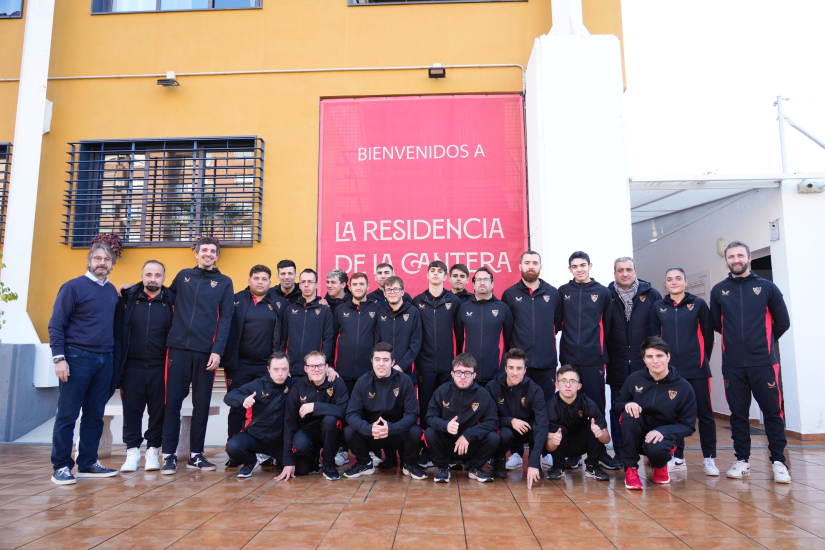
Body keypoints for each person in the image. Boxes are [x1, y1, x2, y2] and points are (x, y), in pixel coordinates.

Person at [710, 241, 791, 483]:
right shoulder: (719, 290)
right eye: (731, 256)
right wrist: (736, 341)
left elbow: (783, 322)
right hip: (733, 365)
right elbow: (716, 323)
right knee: (738, 414)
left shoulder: (767, 288)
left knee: (773, 413)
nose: (735, 259)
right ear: (726, 261)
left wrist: (762, 342)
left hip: (764, 363)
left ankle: (779, 462)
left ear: (749, 258)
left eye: (740, 255)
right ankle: (742, 460)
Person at [48, 243, 120, 485]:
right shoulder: (72, 287)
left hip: (104, 359)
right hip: (76, 357)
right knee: (68, 414)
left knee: (94, 415)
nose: (102, 262)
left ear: (112, 264)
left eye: (107, 259)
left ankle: (88, 462)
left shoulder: (111, 290)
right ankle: (61, 466)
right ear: (89, 261)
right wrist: (59, 358)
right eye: (97, 258)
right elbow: (56, 324)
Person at [161, 237, 234, 474]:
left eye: (213, 251)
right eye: (204, 250)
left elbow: (225, 319)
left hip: (205, 353)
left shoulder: (224, 282)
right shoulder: (183, 276)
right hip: (178, 350)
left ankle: (196, 455)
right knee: (172, 402)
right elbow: (164, 297)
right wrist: (132, 288)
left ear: (217, 255)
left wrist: (217, 351)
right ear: (196, 253)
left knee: (201, 405)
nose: (208, 254)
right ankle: (169, 455)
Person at [653, 267, 718, 476]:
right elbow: (655, 340)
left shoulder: (698, 304)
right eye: (669, 279)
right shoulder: (657, 307)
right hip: (670, 373)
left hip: (697, 369)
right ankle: (678, 457)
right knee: (673, 416)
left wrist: (701, 360)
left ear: (685, 282)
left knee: (705, 414)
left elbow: (708, 337)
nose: (674, 282)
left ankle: (709, 458)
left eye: (678, 279)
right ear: (665, 284)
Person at [501, 250, 561, 471]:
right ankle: (516, 452)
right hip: (519, 366)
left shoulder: (553, 294)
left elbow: (557, 323)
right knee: (516, 408)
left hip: (546, 362)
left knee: (544, 408)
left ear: (540, 267)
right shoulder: (509, 294)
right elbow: (507, 328)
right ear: (520, 266)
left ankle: (544, 451)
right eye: (527, 262)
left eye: (535, 263)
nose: (531, 266)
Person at [113, 260, 175, 473]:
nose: (153, 278)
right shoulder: (127, 298)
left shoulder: (172, 299)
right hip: (132, 365)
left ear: (164, 278)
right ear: (142, 276)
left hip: (160, 366)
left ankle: (152, 451)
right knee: (132, 410)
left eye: (157, 275)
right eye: (148, 274)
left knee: (158, 411)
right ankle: (132, 451)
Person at [221, 265, 287, 463]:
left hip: (267, 367)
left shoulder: (279, 303)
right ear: (249, 280)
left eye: (264, 278)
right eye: (256, 278)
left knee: (268, 407)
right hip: (238, 364)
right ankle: (234, 451)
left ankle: (266, 451)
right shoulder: (235, 300)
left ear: (270, 281)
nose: (260, 282)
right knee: (238, 408)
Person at [612, 336, 697, 490]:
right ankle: (631, 470)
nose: (655, 361)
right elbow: (616, 406)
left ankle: (660, 466)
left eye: (659, 356)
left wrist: (663, 431)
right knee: (629, 413)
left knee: (656, 447)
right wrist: (627, 404)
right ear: (644, 359)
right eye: (650, 356)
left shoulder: (683, 387)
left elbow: (688, 426)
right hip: (635, 435)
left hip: (662, 437)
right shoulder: (634, 379)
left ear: (668, 357)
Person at [604, 256, 661, 470]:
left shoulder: (651, 294)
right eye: (620, 270)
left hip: (644, 365)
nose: (624, 273)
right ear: (615, 273)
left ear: (635, 272)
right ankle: (620, 452)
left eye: (628, 269)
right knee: (619, 410)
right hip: (617, 363)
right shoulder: (606, 295)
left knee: (649, 409)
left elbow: (657, 330)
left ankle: (649, 450)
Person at [558, 251, 613, 470]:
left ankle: (598, 453)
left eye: (583, 265)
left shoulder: (602, 292)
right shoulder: (563, 292)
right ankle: (573, 453)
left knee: (597, 406)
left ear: (590, 265)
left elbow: (607, 326)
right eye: (575, 266)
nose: (579, 269)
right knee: (570, 407)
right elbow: (557, 322)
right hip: (570, 359)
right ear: (569, 269)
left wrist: (597, 349)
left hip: (594, 359)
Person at [343, 343, 426, 479]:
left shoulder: (405, 381)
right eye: (377, 359)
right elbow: (351, 414)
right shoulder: (363, 382)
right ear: (372, 361)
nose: (381, 364)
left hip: (397, 433)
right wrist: (369, 429)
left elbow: (412, 414)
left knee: (416, 431)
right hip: (373, 433)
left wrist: (391, 428)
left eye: (385, 360)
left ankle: (409, 464)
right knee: (349, 431)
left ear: (393, 362)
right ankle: (365, 463)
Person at [412, 260, 463, 467]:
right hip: (424, 366)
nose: (435, 274)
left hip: (447, 366)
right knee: (426, 410)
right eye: (432, 271)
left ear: (445, 277)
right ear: (427, 275)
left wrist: (457, 363)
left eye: (440, 271)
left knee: (447, 410)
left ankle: (447, 453)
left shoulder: (454, 301)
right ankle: (427, 451)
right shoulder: (417, 301)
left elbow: (460, 334)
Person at [424, 353, 499, 483]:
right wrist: (445, 425)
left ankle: (475, 468)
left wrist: (469, 434)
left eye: (467, 373)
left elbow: (493, 421)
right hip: (447, 444)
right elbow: (430, 417)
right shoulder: (442, 391)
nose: (463, 376)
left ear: (474, 375)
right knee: (430, 432)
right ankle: (443, 468)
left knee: (493, 437)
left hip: (470, 445)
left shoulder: (483, 394)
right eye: (458, 372)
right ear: (452, 374)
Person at [331, 272, 381, 466]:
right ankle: (343, 449)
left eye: (362, 284)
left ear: (368, 286)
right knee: (345, 411)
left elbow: (379, 340)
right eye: (355, 284)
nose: (358, 287)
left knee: (370, 412)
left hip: (368, 372)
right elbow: (332, 339)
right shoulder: (340, 310)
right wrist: (330, 365)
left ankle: (373, 450)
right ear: (348, 287)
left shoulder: (377, 309)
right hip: (343, 371)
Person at [223, 352, 297, 478]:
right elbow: (229, 397)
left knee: (302, 468)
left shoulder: (294, 384)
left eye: (284, 369)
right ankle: (250, 462)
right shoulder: (257, 385)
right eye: (276, 369)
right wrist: (243, 400)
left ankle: (280, 460)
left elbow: (315, 379)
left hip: (279, 442)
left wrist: (329, 370)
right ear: (268, 369)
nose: (280, 374)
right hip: (256, 437)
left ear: (289, 369)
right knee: (233, 447)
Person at [485, 348, 548, 488]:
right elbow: (488, 418)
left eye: (519, 368)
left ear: (525, 370)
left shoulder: (535, 390)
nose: (515, 372)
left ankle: (535, 461)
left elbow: (543, 424)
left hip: (527, 429)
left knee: (538, 427)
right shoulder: (493, 387)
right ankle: (499, 459)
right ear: (505, 368)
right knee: (503, 432)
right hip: (505, 429)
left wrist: (533, 462)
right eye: (511, 368)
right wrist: (510, 421)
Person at [282, 351, 349, 480]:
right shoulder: (298, 387)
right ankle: (313, 458)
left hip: (331, 430)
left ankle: (328, 464)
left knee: (330, 420)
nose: (316, 369)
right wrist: (288, 461)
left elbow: (344, 410)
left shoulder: (336, 382)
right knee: (301, 468)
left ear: (326, 367)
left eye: (320, 365)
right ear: (306, 368)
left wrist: (315, 406)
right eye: (312, 366)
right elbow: (289, 422)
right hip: (307, 430)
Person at [544, 365, 612, 481]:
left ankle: (592, 466)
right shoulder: (551, 406)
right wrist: (554, 441)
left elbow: (607, 439)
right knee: (558, 430)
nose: (568, 385)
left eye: (573, 381)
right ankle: (558, 466)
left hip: (582, 443)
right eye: (563, 381)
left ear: (579, 386)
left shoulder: (589, 404)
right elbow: (549, 447)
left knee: (593, 426)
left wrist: (600, 434)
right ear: (557, 385)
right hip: (562, 444)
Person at [456, 267, 514, 387]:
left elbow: (508, 338)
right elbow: (459, 338)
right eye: (479, 279)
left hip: (496, 374)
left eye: (486, 279)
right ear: (473, 284)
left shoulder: (503, 309)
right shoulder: (464, 308)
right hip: (469, 374)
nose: (482, 282)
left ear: (492, 283)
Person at [280, 269, 334, 376]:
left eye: (310, 282)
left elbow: (328, 340)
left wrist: (321, 365)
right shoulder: (290, 310)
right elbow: (282, 340)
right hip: (291, 370)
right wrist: (283, 365)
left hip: (314, 370)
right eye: (303, 282)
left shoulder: (325, 310)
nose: (306, 285)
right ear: (299, 285)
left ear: (317, 285)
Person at [375, 275, 422, 387]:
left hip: (407, 372)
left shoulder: (413, 312)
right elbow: (377, 342)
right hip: (385, 372)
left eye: (396, 289)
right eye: (388, 290)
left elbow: (416, 343)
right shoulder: (381, 314)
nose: (392, 292)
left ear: (402, 292)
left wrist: (401, 365)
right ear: (385, 294)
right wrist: (385, 365)